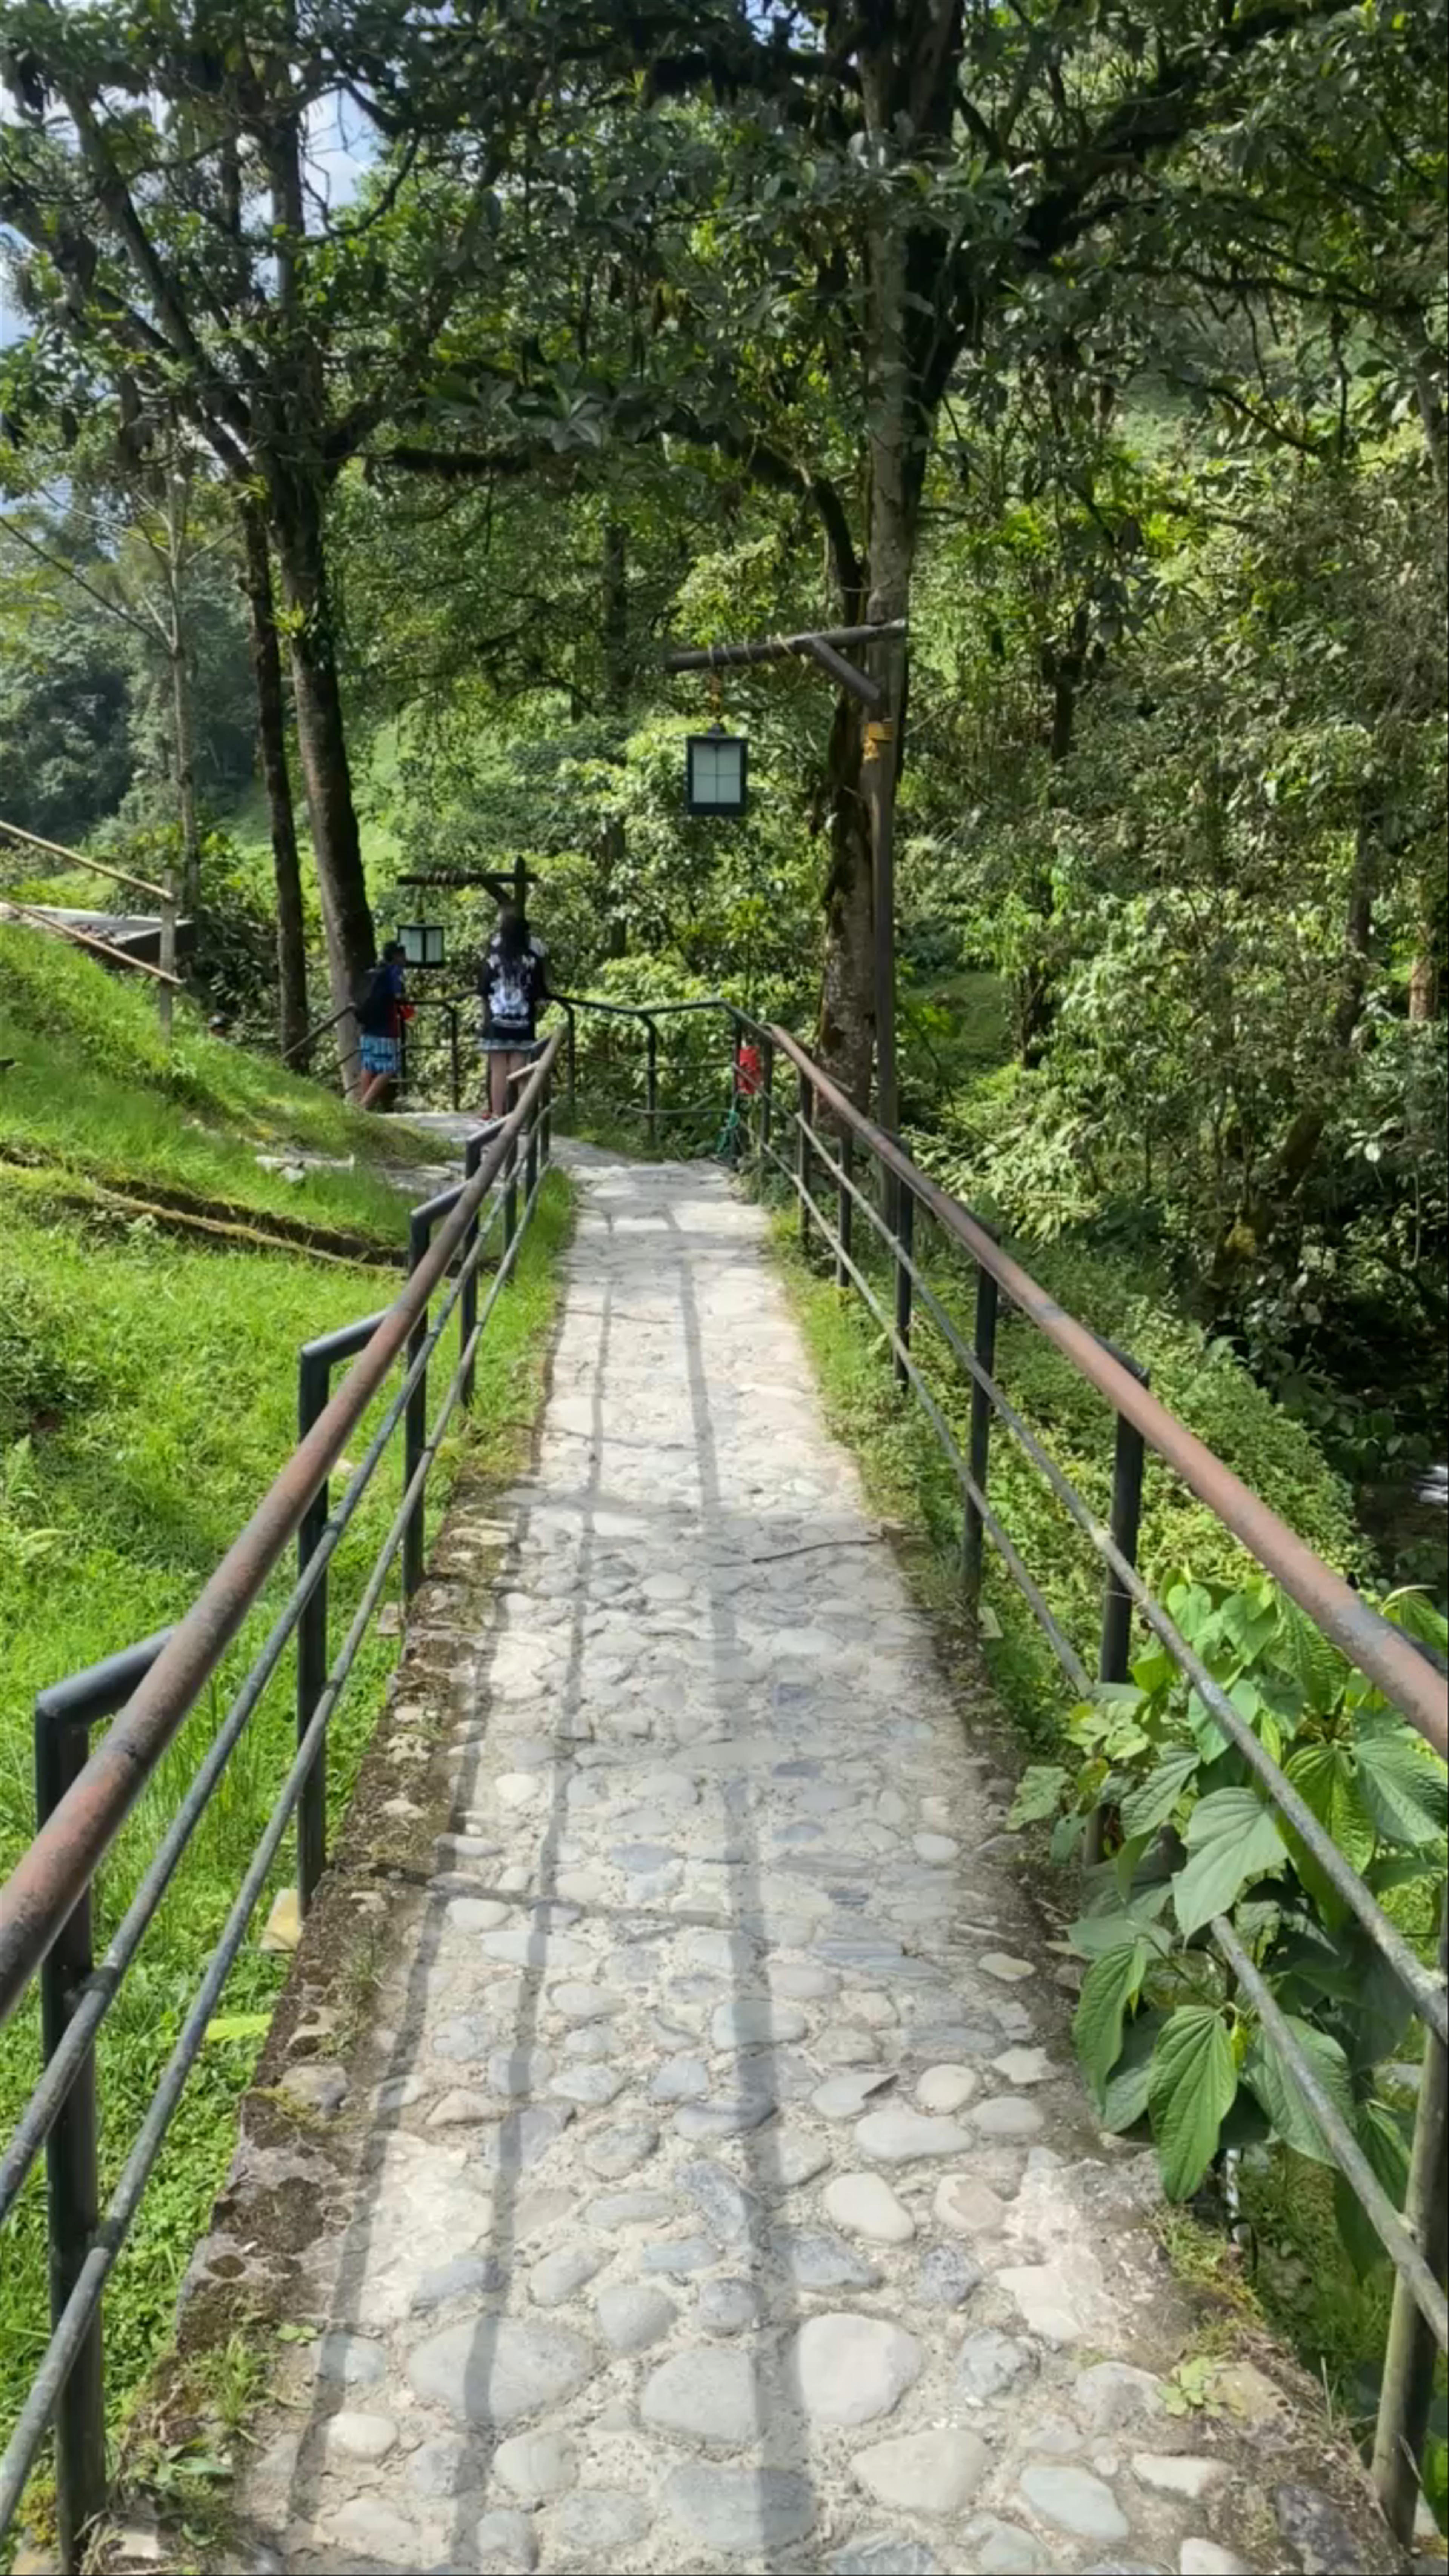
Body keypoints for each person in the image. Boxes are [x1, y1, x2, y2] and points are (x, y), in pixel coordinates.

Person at [478, 902, 549, 1117]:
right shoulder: (532, 960)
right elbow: (539, 993)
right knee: (520, 1070)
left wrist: (485, 1019)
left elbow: (482, 991)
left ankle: (498, 1116)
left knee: (498, 1069)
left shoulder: (492, 960)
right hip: (523, 1022)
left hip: (496, 1021)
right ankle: (523, 1118)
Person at [356, 940, 411, 1111]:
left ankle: (362, 1108)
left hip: (368, 1027)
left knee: (369, 1066)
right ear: (396, 956)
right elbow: (398, 995)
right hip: (385, 1029)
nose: (405, 959)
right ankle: (365, 1106)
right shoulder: (393, 972)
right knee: (389, 1068)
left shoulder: (374, 971)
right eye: (402, 955)